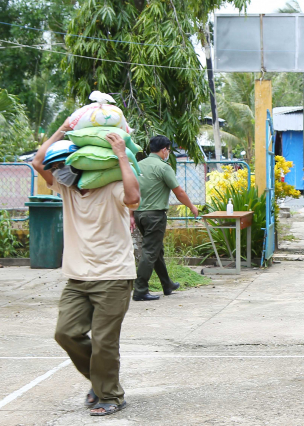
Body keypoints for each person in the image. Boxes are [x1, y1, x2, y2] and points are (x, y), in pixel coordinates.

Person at [32, 120, 140, 417]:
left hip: (114, 276)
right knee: (65, 333)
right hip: (76, 277)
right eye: (58, 169)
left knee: (105, 341)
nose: (58, 172)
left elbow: (134, 198)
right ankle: (100, 380)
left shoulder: (113, 186)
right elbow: (37, 162)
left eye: (63, 167)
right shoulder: (65, 190)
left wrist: (120, 153)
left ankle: (111, 395)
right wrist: (63, 131)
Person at [133, 135, 200, 301]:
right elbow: (179, 192)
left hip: (139, 213)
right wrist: (192, 207)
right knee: (150, 252)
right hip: (155, 215)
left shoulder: (138, 165)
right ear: (164, 150)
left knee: (156, 251)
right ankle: (140, 290)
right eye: (168, 150)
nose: (168, 153)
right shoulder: (163, 167)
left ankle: (167, 284)